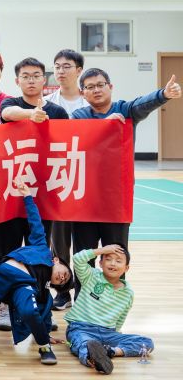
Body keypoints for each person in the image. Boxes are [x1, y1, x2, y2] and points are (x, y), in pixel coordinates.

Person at [0, 57, 69, 330]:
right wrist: (31, 114)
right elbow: (9, 114)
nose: (31, 80)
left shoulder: (58, 112)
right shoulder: (10, 104)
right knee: (7, 252)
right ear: (17, 80)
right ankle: (6, 306)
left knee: (40, 255)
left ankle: (40, 306)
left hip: (43, 196)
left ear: (44, 80)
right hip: (11, 193)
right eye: (26, 76)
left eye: (36, 75)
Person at [70, 69, 180, 253]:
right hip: (85, 197)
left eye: (100, 85)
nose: (96, 90)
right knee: (84, 255)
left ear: (110, 87)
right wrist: (106, 124)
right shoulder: (78, 116)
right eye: (90, 87)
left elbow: (142, 103)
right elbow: (80, 136)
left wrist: (164, 94)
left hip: (117, 198)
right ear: (82, 93)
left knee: (117, 254)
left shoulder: (125, 110)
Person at [0, 181, 72, 365]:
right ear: (57, 261)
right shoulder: (41, 247)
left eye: (61, 283)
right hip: (1, 276)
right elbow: (35, 221)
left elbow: (45, 309)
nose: (61, 278)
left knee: (30, 311)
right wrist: (28, 196)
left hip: (23, 285)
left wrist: (45, 334)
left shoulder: (42, 287)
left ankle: (44, 346)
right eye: (65, 275)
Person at [65, 244, 152, 374]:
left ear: (126, 268)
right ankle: (91, 358)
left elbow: (121, 317)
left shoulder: (128, 293)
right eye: (108, 259)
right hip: (81, 328)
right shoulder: (91, 276)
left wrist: (115, 335)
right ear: (100, 263)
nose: (113, 263)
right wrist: (101, 250)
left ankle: (110, 352)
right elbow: (78, 258)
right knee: (83, 342)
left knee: (147, 343)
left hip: (108, 333)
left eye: (118, 261)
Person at [45, 48, 87, 310]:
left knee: (83, 239)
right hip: (57, 177)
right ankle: (62, 290)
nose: (61, 71)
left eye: (67, 66)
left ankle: (83, 290)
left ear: (79, 70)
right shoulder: (46, 103)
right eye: (57, 66)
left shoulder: (89, 102)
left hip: (84, 177)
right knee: (59, 239)